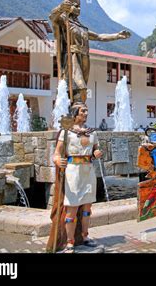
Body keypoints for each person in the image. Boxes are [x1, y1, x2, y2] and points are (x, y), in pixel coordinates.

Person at [50, 0, 131, 103]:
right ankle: (75, 110)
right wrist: (60, 8)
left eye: (79, 6)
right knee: (81, 87)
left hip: (85, 57)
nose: (78, 8)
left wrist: (117, 35)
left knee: (82, 88)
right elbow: (52, 17)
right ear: (69, 6)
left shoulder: (81, 27)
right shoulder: (64, 22)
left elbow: (99, 37)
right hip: (72, 57)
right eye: (75, 6)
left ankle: (77, 109)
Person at [47, 103, 103, 253]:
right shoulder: (67, 133)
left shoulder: (92, 133)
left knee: (87, 208)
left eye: (86, 110)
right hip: (73, 172)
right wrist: (58, 160)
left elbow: (96, 148)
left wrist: (97, 152)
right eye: (82, 111)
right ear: (75, 113)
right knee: (71, 209)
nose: (85, 113)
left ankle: (85, 236)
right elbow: (56, 154)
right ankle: (70, 242)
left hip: (88, 171)